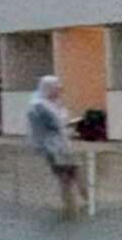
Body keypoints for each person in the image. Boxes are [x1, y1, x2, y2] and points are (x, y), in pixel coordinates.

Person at [26, 76, 87, 214]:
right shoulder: (40, 105)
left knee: (75, 172)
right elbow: (56, 123)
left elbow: (59, 123)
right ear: (49, 89)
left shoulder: (49, 103)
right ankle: (71, 207)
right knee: (65, 177)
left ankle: (83, 202)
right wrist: (66, 120)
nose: (60, 91)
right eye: (57, 88)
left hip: (60, 145)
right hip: (53, 148)